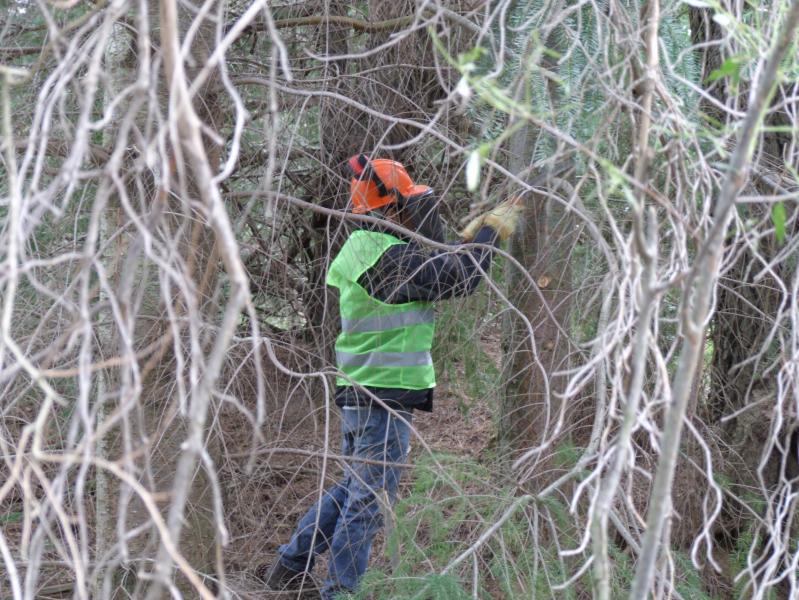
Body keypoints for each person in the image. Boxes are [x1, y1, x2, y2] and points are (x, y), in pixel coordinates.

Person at [262, 154, 522, 599]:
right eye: (408, 205)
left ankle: (290, 565)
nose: (415, 212)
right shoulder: (380, 256)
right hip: (381, 397)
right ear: (390, 208)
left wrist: (463, 240)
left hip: (368, 391)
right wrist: (488, 234)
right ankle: (339, 592)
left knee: (353, 489)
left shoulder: (376, 247)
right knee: (367, 502)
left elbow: (432, 267)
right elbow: (458, 280)